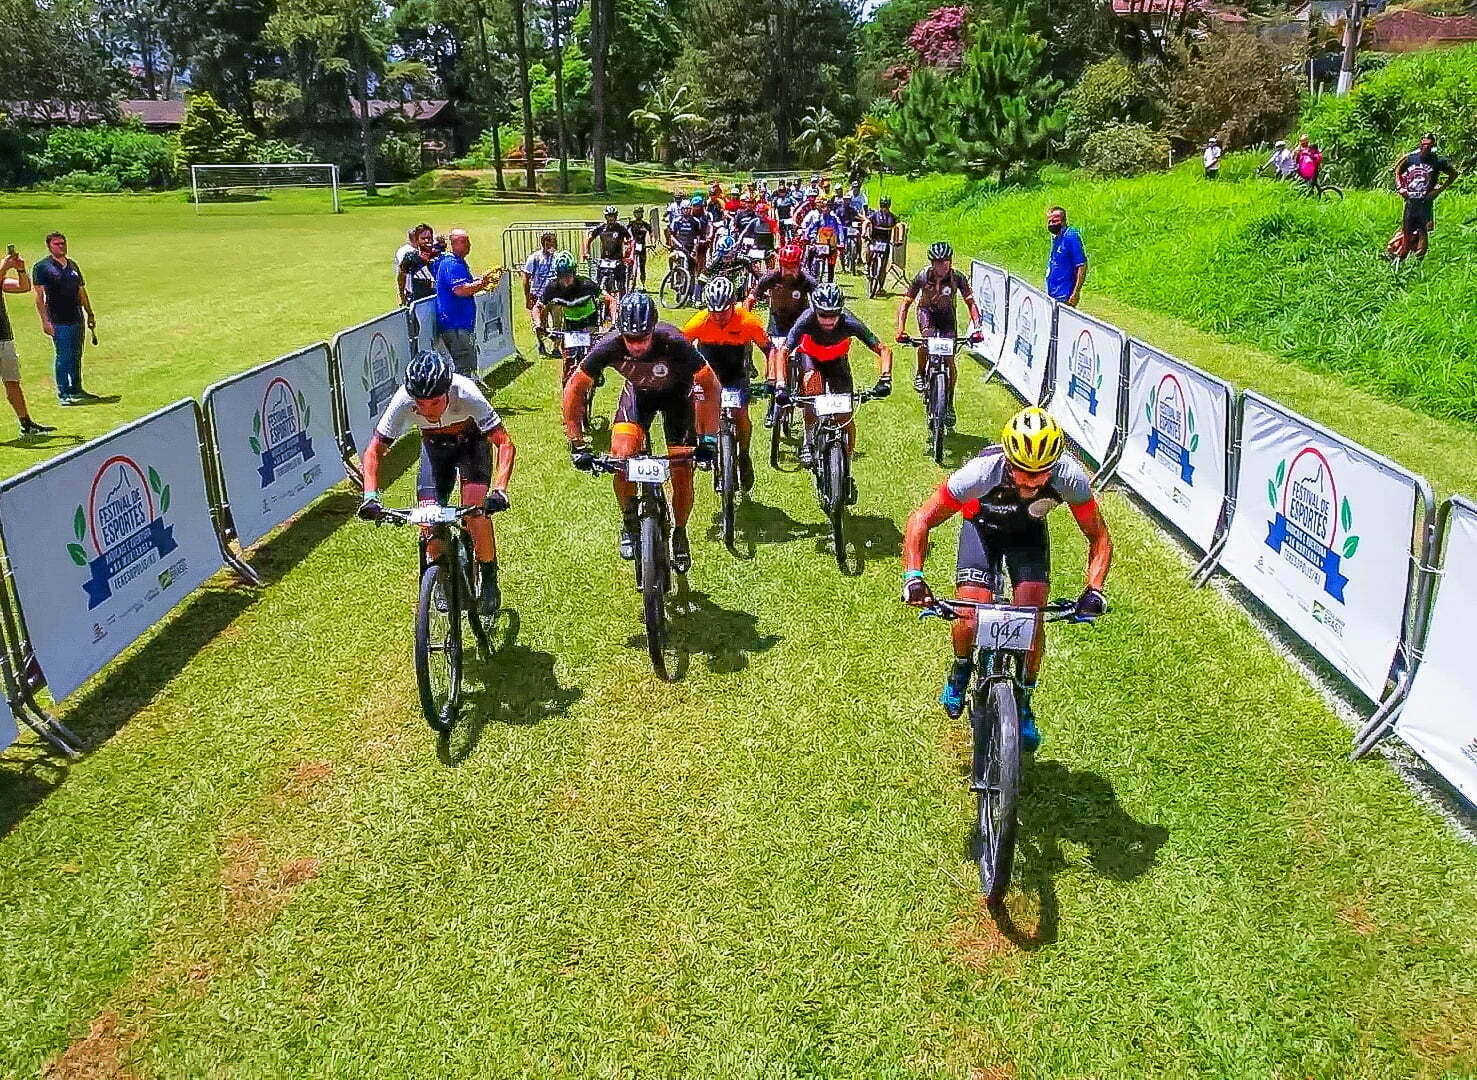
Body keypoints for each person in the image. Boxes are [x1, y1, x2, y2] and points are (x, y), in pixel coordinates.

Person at [901, 407, 1112, 748]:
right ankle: (960, 668)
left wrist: (1095, 589)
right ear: (1008, 459)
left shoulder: (1070, 478)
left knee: (1032, 618)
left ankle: (1024, 700)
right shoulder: (981, 471)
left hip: (1026, 537)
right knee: (969, 616)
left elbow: (1099, 537)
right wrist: (913, 575)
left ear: (1054, 465)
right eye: (1022, 471)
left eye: (1040, 474)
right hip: (980, 531)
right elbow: (921, 519)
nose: (1030, 481)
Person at [563, 292, 721, 574]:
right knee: (621, 457)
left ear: (653, 329)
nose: (636, 346)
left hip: (678, 400)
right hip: (639, 397)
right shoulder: (609, 344)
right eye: (630, 339)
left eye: (643, 338)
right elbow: (575, 387)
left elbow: (710, 385)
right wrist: (577, 442)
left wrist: (709, 437)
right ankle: (628, 520)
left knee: (683, 473)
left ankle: (680, 532)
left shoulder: (674, 342)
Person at [356, 351, 516, 618]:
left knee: (475, 510)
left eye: (435, 403)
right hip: (434, 449)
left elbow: (505, 443)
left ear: (448, 390)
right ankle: (440, 574)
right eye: (421, 404)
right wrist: (370, 495)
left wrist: (499, 490)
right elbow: (373, 451)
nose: (428, 411)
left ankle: (488, 575)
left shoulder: (466, 392)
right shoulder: (402, 400)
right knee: (427, 520)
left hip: (471, 445)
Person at [773, 283, 892, 485]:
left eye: (833, 315)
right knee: (812, 386)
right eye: (823, 315)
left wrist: (885, 378)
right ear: (815, 310)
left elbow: (882, 348)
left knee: (846, 417)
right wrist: (781, 384)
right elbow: (783, 352)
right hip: (811, 357)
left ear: (841, 311)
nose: (828, 320)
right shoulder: (806, 319)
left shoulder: (850, 322)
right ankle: (808, 440)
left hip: (837, 362)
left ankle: (847, 463)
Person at [681, 278, 772, 492]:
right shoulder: (700, 321)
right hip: (708, 373)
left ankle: (744, 455)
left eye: (724, 312)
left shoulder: (747, 321)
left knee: (740, 415)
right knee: (699, 407)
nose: (719, 317)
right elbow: (678, 347)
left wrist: (773, 377)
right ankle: (705, 444)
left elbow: (770, 350)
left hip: (735, 373)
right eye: (714, 312)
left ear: (733, 305)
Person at [894, 241, 982, 426]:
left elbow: (971, 304)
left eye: (946, 261)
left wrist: (977, 328)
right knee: (926, 343)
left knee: (949, 360)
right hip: (927, 313)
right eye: (938, 262)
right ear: (932, 263)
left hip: (947, 317)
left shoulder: (958, 278)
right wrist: (900, 329)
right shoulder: (922, 276)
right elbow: (905, 303)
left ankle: (949, 403)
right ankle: (920, 373)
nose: (943, 265)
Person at [531, 251, 618, 385]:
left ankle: (597, 372)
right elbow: (537, 307)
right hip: (571, 326)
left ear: (574, 272)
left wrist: (613, 321)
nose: (566, 280)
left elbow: (611, 301)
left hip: (590, 323)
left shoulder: (586, 285)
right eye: (562, 276)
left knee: (593, 358)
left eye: (569, 275)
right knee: (568, 362)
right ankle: (566, 392)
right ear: (557, 276)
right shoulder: (552, 288)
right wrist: (538, 323)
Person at [32, 232, 98, 405]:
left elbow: (81, 291)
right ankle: (63, 392)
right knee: (63, 356)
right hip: (57, 319)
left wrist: (89, 313)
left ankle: (76, 388)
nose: (61, 246)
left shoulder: (73, 266)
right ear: (49, 246)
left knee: (76, 355)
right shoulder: (42, 267)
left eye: (63, 243)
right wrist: (45, 321)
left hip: (76, 317)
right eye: (57, 244)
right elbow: (39, 296)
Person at [1, 248, 54, 436]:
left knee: (12, 381)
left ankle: (26, 423)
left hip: (4, 337)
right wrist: (4, 267)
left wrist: (20, 270)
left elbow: (23, 287)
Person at [434, 229, 499, 378]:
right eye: (465, 242)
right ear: (454, 244)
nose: (469, 245)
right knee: (463, 362)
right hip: (455, 323)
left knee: (467, 359)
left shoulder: (458, 262)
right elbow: (460, 290)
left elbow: (466, 284)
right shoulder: (451, 264)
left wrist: (481, 280)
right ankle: (463, 395)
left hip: (461, 322)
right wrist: (482, 283)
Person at [1391, 132, 1459, 264]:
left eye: (1429, 145)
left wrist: (1439, 190)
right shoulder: (1411, 159)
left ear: (1433, 146)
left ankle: (1418, 262)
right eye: (1424, 145)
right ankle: (1400, 258)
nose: (1426, 148)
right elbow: (1398, 170)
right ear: (1420, 144)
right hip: (1411, 200)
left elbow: (1453, 174)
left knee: (1423, 231)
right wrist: (1400, 187)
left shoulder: (1437, 161)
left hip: (1425, 202)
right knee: (1407, 230)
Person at [522, 231, 560, 356]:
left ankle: (556, 348)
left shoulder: (559, 258)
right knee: (540, 324)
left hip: (555, 296)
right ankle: (541, 345)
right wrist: (528, 298)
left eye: (553, 241)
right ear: (543, 243)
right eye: (548, 241)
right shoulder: (534, 258)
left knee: (557, 322)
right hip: (538, 295)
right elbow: (526, 278)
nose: (551, 244)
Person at [582, 205, 633, 294]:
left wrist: (628, 253)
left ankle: (622, 301)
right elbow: (589, 238)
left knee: (621, 286)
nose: (611, 218)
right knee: (601, 285)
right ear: (606, 217)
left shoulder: (620, 228)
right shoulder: (601, 228)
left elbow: (630, 240)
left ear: (616, 217)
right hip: (604, 260)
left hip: (618, 260)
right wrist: (586, 252)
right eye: (609, 216)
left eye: (613, 216)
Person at [1044, 206, 1087, 308]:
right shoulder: (1056, 238)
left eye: (1055, 221)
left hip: (1065, 296)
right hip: (1053, 294)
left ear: (1063, 221)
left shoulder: (1071, 237)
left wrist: (1076, 292)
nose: (1051, 224)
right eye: (1049, 221)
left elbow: (1082, 265)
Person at [397, 223, 440, 306]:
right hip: (419, 304)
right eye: (423, 238)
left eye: (429, 238)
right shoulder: (410, 257)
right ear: (417, 241)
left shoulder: (439, 255)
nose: (427, 241)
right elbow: (401, 277)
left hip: (438, 302)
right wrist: (402, 297)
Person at [666, 197, 708, 275]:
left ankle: (691, 283)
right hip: (679, 248)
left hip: (691, 249)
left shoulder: (696, 221)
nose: (686, 210)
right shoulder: (676, 221)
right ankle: (671, 274)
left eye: (688, 208)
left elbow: (697, 237)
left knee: (693, 268)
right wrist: (678, 245)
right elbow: (672, 236)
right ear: (681, 210)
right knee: (671, 257)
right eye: (684, 209)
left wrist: (695, 248)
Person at [627, 208, 653, 288]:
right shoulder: (631, 224)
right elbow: (625, 233)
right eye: (637, 213)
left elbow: (652, 234)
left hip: (643, 246)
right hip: (633, 246)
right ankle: (630, 283)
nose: (638, 215)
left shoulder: (646, 224)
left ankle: (643, 284)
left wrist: (652, 243)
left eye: (640, 213)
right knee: (631, 265)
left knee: (642, 267)